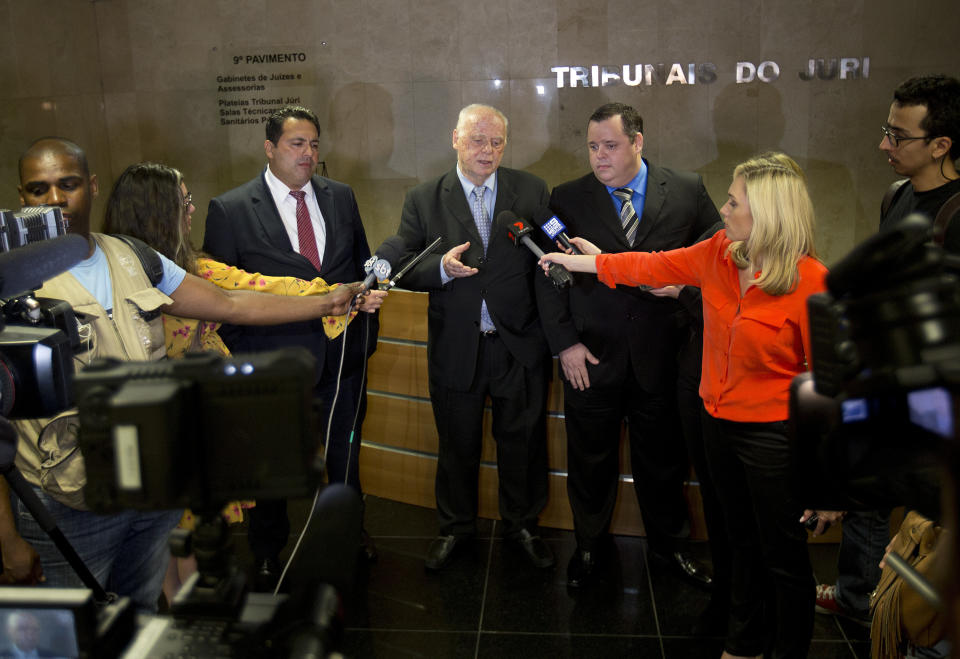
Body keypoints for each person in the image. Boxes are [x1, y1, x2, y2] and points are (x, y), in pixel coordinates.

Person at [0, 137, 367, 612]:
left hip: (153, 486)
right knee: (71, 631)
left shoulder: (133, 256)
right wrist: (6, 537)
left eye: (67, 185)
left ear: (91, 187)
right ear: (21, 196)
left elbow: (229, 302)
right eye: (38, 189)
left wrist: (324, 302)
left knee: (140, 615)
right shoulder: (10, 280)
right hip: (69, 501)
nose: (54, 201)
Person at [541, 152, 827, 659]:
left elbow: (831, 386)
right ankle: (743, 641)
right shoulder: (718, 252)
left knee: (782, 557)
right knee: (736, 542)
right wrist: (579, 260)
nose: (723, 207)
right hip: (717, 424)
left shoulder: (811, 282)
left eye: (734, 201)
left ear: (767, 213)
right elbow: (647, 265)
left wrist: (828, 484)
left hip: (774, 437)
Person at [99, 161, 384, 602]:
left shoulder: (184, 266)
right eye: (184, 202)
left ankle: (180, 622)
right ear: (157, 212)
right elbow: (237, 304)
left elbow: (260, 286)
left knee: (180, 534)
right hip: (165, 425)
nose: (190, 210)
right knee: (159, 544)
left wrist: (331, 294)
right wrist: (326, 301)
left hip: (182, 422)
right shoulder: (145, 275)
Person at [542, 102, 720, 589]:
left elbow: (718, 260)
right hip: (592, 356)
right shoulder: (568, 197)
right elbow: (549, 276)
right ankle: (589, 549)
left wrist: (685, 291)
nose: (600, 157)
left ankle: (669, 551)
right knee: (590, 462)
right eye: (593, 147)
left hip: (663, 355)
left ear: (638, 142)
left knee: (663, 464)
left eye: (611, 146)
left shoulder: (686, 190)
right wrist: (566, 345)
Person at [202, 104, 381, 588]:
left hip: (342, 359)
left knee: (344, 457)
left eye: (314, 144)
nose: (308, 154)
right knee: (272, 466)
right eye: (296, 144)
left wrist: (365, 303)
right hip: (273, 366)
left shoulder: (340, 197)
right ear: (269, 148)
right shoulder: (232, 208)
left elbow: (361, 267)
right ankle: (266, 549)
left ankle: (348, 532)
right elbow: (220, 296)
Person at [813, 73, 960, 627]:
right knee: (867, 495)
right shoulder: (895, 196)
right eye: (886, 131)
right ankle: (861, 599)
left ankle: (903, 612)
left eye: (898, 136)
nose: (884, 145)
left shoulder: (957, 214)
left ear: (941, 145)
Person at [395, 103, 560, 571]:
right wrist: (440, 269)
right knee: (456, 446)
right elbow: (406, 263)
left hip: (518, 346)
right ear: (454, 138)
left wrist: (566, 245)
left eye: (497, 142)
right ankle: (455, 530)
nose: (488, 151)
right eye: (477, 140)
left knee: (523, 445)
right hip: (457, 347)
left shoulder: (530, 189)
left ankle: (523, 526)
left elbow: (552, 238)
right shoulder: (424, 198)